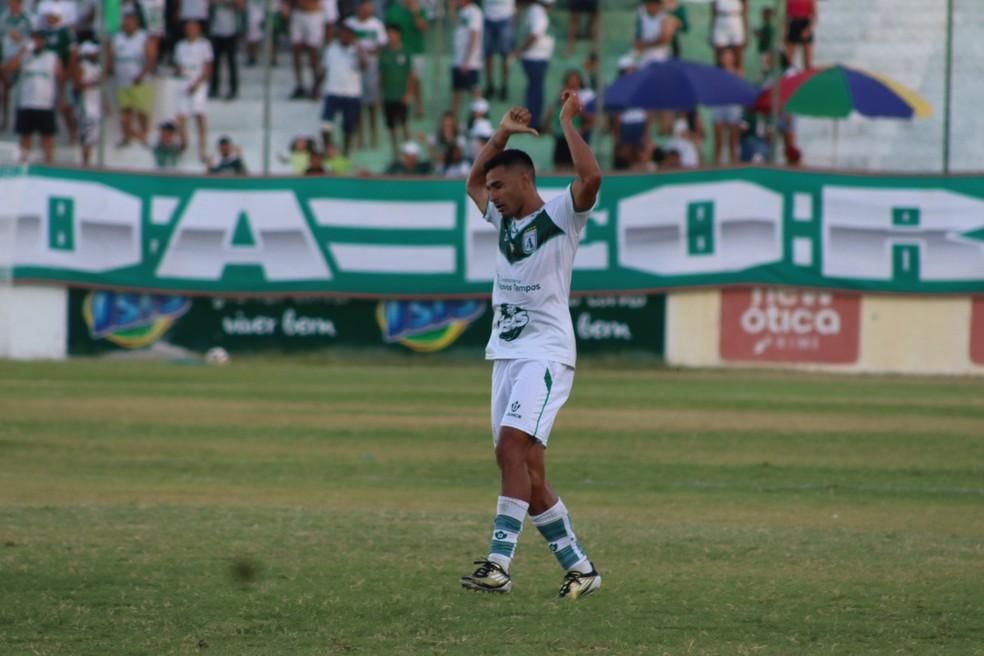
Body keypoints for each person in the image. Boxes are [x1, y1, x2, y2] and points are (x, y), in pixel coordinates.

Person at [461, 96, 602, 599]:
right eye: (492, 187)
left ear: (526, 181)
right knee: (528, 471)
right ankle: (581, 569)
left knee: (510, 449)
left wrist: (567, 123)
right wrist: (500, 135)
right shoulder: (503, 223)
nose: (491, 194)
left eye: (501, 185)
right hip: (506, 354)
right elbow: (472, 181)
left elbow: (591, 180)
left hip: (545, 355)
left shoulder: (562, 214)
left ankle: (498, 564)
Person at [4, 28, 61, 163]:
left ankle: (49, 162)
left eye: (39, 39)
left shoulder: (51, 56)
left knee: (47, 136)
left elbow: (60, 76)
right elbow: (9, 68)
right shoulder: (25, 57)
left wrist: (60, 98)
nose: (37, 42)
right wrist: (22, 52)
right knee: (25, 136)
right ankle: (24, 162)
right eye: (34, 39)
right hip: (26, 102)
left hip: (45, 103)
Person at [109, 9, 155, 146]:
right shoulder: (117, 38)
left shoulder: (143, 37)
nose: (128, 23)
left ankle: (145, 135)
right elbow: (112, 57)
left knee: (142, 110)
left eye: (131, 20)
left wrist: (142, 74)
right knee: (125, 111)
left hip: (139, 81)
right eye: (126, 20)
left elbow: (150, 58)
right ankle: (126, 137)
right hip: (123, 81)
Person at [344, 0, 387, 149]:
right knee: (358, 104)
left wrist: (369, 51)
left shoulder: (377, 24)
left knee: (372, 103)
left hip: (372, 67)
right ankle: (360, 137)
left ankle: (374, 136)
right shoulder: (349, 23)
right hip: (353, 68)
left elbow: (382, 44)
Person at [320, 22, 366, 155]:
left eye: (347, 35)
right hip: (333, 91)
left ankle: (346, 152)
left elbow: (364, 67)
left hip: (352, 93)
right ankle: (327, 150)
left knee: (349, 126)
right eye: (342, 35)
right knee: (326, 123)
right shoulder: (331, 49)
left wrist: (360, 53)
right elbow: (324, 69)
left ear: (352, 37)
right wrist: (316, 86)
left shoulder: (357, 50)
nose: (344, 37)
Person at [173, 19, 214, 161]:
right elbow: (177, 65)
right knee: (181, 116)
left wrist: (197, 84)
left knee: (199, 116)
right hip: (184, 81)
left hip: (199, 81)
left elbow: (208, 67)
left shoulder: (205, 45)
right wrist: (181, 73)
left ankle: (202, 150)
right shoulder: (180, 46)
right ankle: (183, 144)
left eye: (193, 27)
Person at [512, 0, 554, 131]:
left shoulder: (532, 11)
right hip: (536, 57)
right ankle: (534, 122)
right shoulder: (539, 13)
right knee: (536, 92)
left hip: (534, 57)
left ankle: (531, 120)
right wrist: (521, 50)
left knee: (533, 90)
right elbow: (535, 35)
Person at [542, 69, 593, 172]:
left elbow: (591, 120)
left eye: (576, 81)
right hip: (561, 138)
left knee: (575, 166)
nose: (574, 83)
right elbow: (547, 119)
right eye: (571, 81)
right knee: (559, 166)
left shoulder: (584, 97)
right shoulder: (560, 98)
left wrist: (578, 107)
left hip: (575, 138)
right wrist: (552, 131)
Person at [383, 0, 427, 118]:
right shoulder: (393, 10)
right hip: (398, 50)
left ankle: (419, 106)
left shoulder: (419, 9)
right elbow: (388, 30)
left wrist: (416, 14)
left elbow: (423, 28)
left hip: (416, 50)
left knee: (416, 79)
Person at [379, 23, 414, 161]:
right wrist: (379, 94)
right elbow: (381, 76)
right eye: (389, 33)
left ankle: (409, 151)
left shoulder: (405, 53)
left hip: (401, 95)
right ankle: (395, 153)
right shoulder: (385, 53)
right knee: (391, 126)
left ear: (398, 35)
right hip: (388, 95)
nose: (391, 36)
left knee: (404, 124)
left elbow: (411, 76)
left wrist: (409, 94)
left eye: (393, 33)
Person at [1, 0, 34, 130]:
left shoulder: (27, 18)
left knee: (21, 89)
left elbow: (31, 38)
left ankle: (21, 118)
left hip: (22, 56)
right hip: (7, 55)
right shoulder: (5, 17)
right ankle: (5, 118)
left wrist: (19, 39)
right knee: (5, 88)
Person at [285, 0, 325, 99]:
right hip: (297, 13)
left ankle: (316, 85)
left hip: (313, 14)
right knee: (296, 51)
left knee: (313, 52)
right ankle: (299, 84)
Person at [74, 41, 104, 167]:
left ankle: (90, 161)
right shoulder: (82, 66)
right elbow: (77, 85)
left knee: (93, 136)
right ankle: (85, 163)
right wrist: (93, 83)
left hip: (96, 104)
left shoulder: (98, 67)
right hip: (86, 106)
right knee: (86, 136)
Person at [450, 0, 482, 118]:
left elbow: (474, 36)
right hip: (457, 60)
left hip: (470, 62)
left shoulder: (475, 12)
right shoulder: (462, 12)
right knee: (456, 93)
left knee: (474, 93)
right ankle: (454, 124)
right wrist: (451, 8)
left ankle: (479, 122)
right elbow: (456, 23)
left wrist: (467, 60)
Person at [710, 49, 742, 165]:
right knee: (718, 140)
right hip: (719, 105)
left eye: (730, 56)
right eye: (725, 56)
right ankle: (717, 165)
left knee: (733, 140)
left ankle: (734, 164)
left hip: (733, 106)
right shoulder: (716, 72)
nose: (727, 58)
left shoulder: (738, 72)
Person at [209, 0, 244, 100]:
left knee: (231, 62)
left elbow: (240, 5)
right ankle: (214, 88)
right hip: (216, 30)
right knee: (215, 62)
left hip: (231, 31)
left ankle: (233, 89)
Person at [482, 0, 514, 101]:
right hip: (488, 17)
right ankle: (489, 84)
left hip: (505, 17)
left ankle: (504, 86)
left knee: (505, 55)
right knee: (488, 54)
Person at [634, 0, 680, 66]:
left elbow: (665, 39)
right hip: (645, 59)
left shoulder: (666, 18)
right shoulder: (642, 15)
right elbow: (637, 40)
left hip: (662, 58)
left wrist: (644, 44)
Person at [710, 0, 747, 75]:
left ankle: (739, 81)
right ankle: (719, 79)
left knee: (738, 56)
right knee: (719, 55)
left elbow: (745, 13)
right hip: (720, 21)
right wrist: (711, 32)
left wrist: (746, 33)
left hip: (736, 20)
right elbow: (713, 13)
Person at [785, 0, 816, 70]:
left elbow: (815, 16)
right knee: (788, 59)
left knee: (807, 62)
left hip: (805, 23)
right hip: (793, 23)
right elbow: (785, 14)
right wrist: (785, 30)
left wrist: (808, 30)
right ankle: (789, 76)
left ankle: (807, 76)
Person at [756, 6, 776, 78]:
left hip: (766, 50)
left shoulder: (768, 26)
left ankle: (766, 80)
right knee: (764, 67)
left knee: (765, 68)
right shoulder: (767, 25)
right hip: (765, 50)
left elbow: (764, 37)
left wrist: (757, 33)